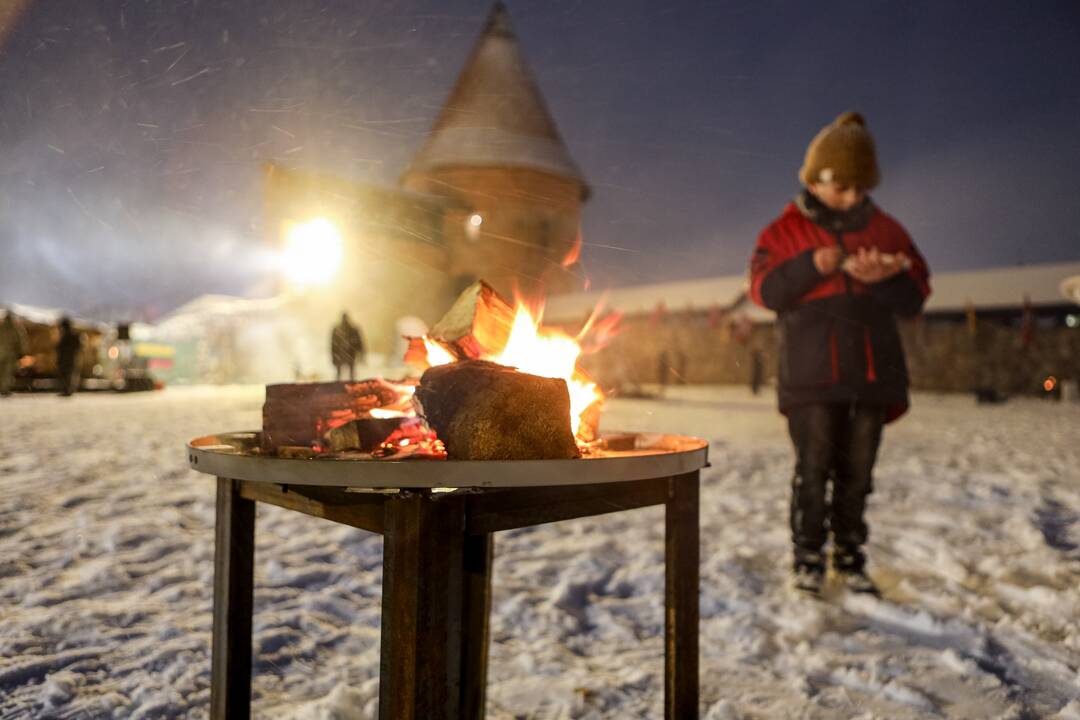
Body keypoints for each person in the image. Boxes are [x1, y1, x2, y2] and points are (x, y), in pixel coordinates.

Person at [748, 112, 931, 597]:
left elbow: (915, 296)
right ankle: (807, 556)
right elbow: (764, 289)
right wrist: (811, 265)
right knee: (813, 470)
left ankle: (849, 556)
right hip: (810, 377)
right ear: (814, 179)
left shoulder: (888, 232)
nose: (851, 197)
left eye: (859, 187)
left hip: (872, 375)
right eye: (840, 187)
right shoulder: (783, 233)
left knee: (858, 473)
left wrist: (888, 277)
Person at [0, 308, 28, 396]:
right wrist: (23, 352)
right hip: (10, 354)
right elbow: (21, 340)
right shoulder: (16, 328)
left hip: (1, 353)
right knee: (7, 372)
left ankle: (3, 388)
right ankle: (4, 389)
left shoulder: (1, 327)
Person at [331, 311, 365, 381]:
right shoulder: (337, 329)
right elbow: (333, 344)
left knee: (350, 373)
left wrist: (361, 353)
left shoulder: (352, 330)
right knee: (340, 373)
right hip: (342, 354)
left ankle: (348, 385)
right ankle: (338, 385)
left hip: (349, 354)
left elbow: (359, 342)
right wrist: (334, 356)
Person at [56, 317, 82, 396]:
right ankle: (67, 389)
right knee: (66, 374)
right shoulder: (67, 335)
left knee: (69, 374)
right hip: (67, 359)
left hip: (70, 359)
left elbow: (78, 346)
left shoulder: (72, 335)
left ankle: (68, 390)